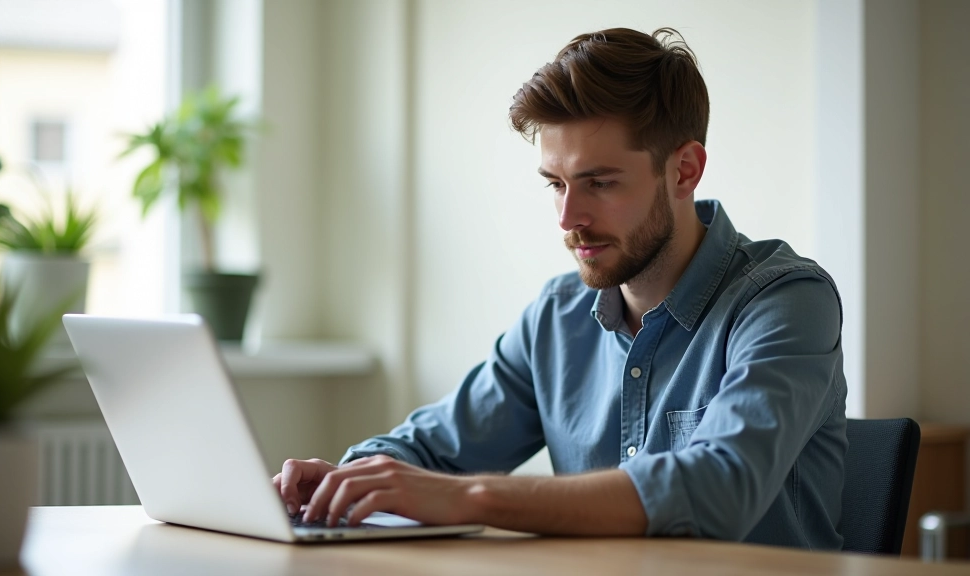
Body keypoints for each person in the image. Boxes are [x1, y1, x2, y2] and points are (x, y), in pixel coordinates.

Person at [273, 27, 847, 549]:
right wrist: (350, 481)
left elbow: (719, 488)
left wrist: (470, 498)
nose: (568, 217)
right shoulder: (557, 317)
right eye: (555, 184)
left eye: (598, 183)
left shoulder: (786, 302)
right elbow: (430, 449)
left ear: (684, 170)